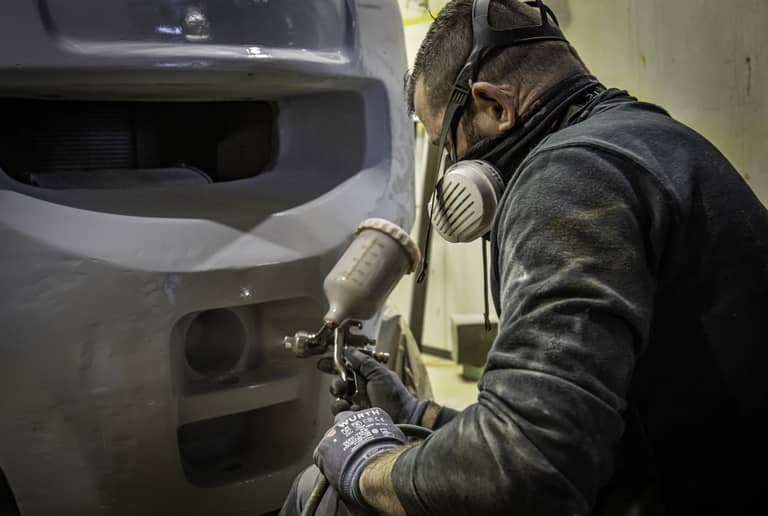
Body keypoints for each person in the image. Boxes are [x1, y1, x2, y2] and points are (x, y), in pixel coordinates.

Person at [281, 1, 768, 514]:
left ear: (493, 106)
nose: (451, 169)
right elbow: (590, 430)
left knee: (322, 495)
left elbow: (527, 474)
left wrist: (366, 466)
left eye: (448, 144)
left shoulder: (567, 179)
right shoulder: (653, 141)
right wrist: (422, 415)